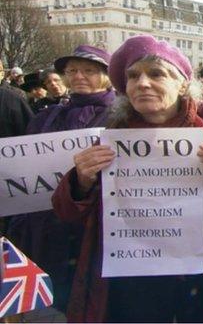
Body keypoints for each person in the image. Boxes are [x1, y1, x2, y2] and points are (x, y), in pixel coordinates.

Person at [51, 35, 203, 322]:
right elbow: (65, 213)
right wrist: (80, 183)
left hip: (201, 284)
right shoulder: (111, 137)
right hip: (129, 287)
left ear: (182, 84)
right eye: (133, 76)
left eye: (156, 74)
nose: (142, 83)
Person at [6, 45, 115, 314]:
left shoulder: (123, 118)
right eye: (72, 70)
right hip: (49, 225)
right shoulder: (48, 115)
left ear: (107, 75)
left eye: (89, 70)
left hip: (97, 228)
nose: (79, 76)